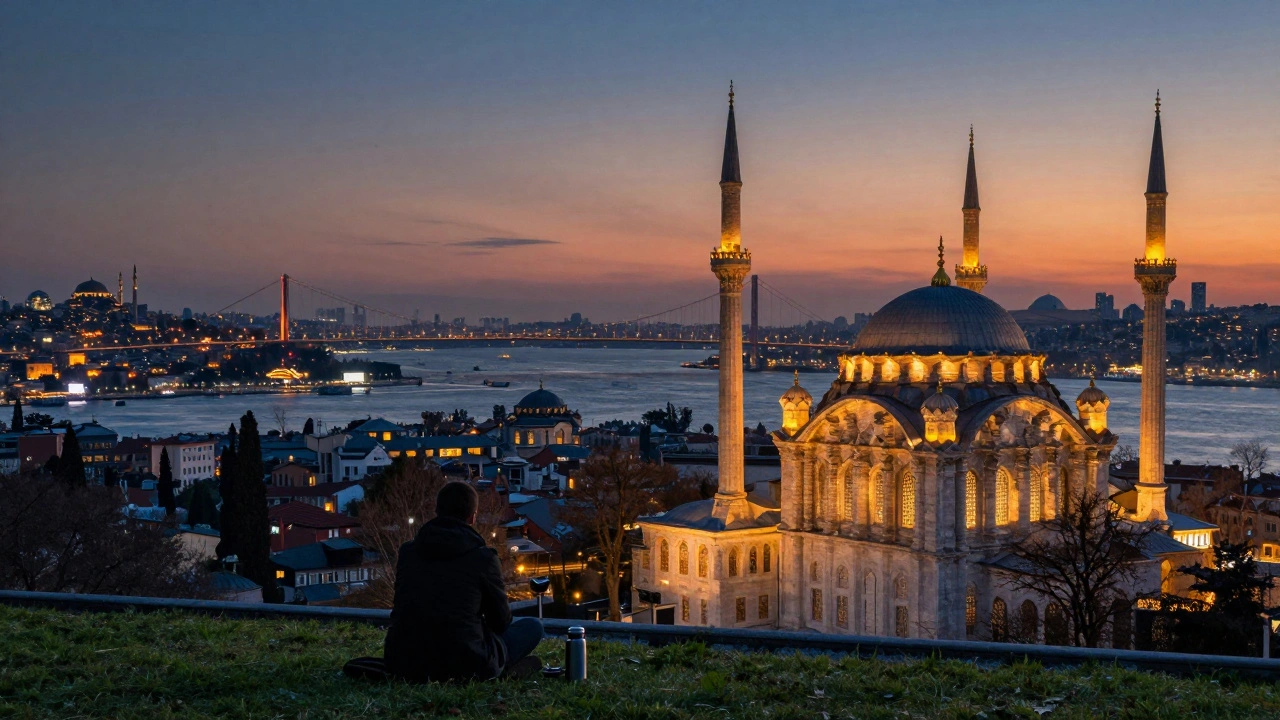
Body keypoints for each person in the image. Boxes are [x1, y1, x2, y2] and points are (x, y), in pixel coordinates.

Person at [382, 481, 544, 682]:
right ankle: (505, 670)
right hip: (466, 662)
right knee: (533, 627)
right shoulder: (483, 558)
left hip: (405, 661)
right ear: (472, 517)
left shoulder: (408, 552)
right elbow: (501, 621)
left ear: (437, 511)